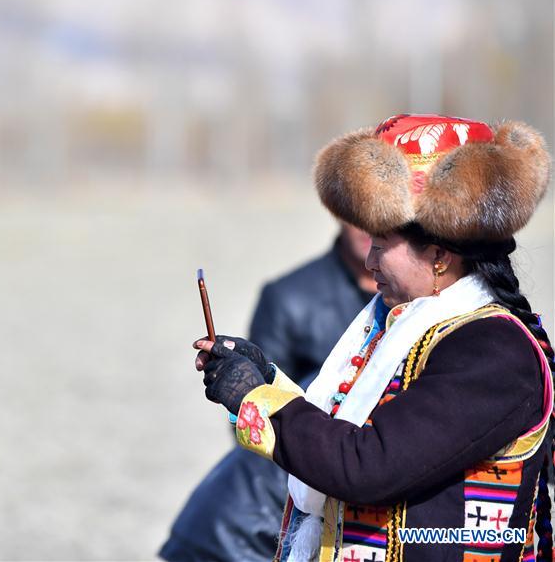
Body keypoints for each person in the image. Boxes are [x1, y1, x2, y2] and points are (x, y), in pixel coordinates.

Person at [194, 114, 554, 562]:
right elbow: (345, 432)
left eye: (381, 244)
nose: (369, 260)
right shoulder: (400, 325)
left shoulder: (493, 351)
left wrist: (256, 397)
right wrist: (265, 379)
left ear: (440, 256)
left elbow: (366, 464)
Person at [161, 224, 376, 561]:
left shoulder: (409, 314)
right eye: (361, 215)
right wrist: (250, 387)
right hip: (249, 528)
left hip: (316, 512)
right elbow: (247, 418)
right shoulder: (288, 297)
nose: (370, 229)